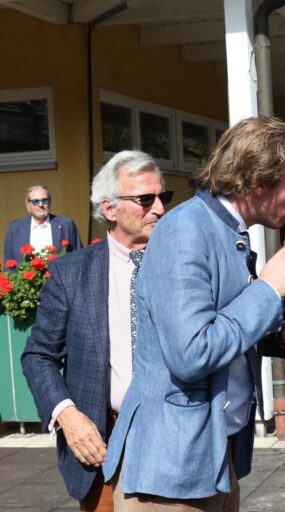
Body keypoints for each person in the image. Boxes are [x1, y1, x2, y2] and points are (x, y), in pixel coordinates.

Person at [102, 116, 285, 511]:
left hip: (212, 459)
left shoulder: (226, 230)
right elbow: (191, 353)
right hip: (171, 475)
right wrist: (269, 289)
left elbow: (220, 321)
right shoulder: (184, 229)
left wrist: (278, 334)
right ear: (259, 181)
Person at [21, 150, 171, 512]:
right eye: (145, 200)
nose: (160, 209)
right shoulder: (71, 273)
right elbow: (38, 355)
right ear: (109, 209)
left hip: (175, 440)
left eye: (163, 197)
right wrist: (68, 416)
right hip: (103, 448)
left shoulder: (182, 263)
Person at [4, 185, 82, 263]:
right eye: (36, 201)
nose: (41, 205)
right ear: (28, 205)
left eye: (44, 200)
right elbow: (9, 262)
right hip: (25, 275)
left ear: (50, 202)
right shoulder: (15, 228)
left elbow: (78, 256)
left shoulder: (66, 225)